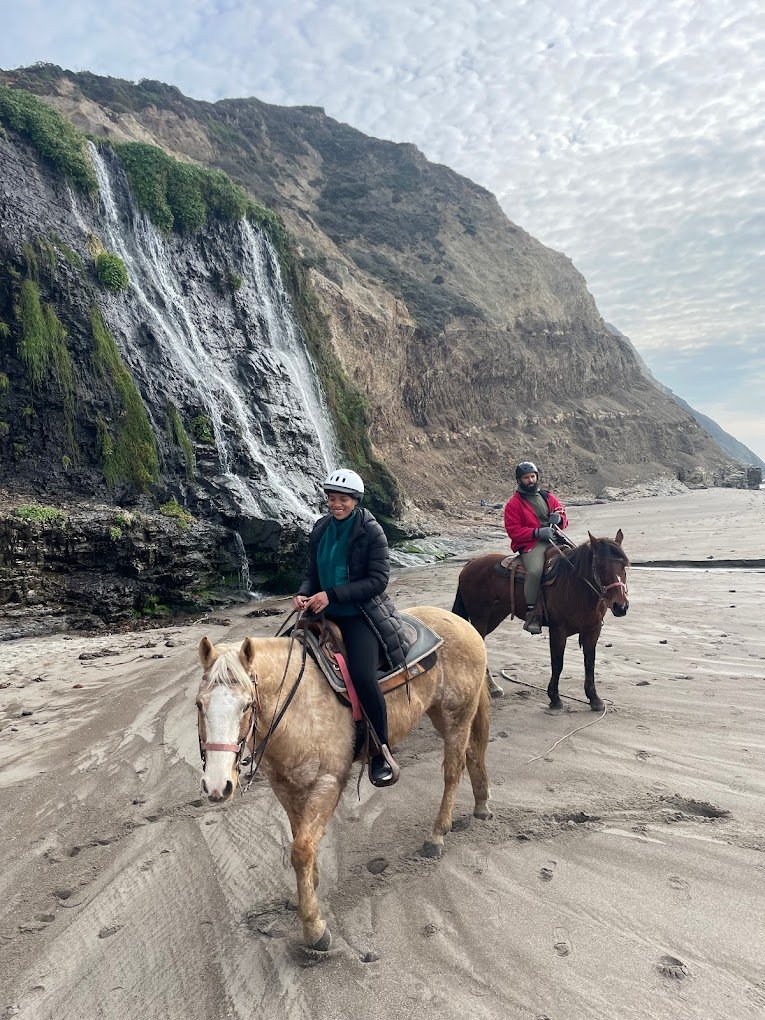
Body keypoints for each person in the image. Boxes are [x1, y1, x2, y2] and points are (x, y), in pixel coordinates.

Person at [293, 468, 411, 786]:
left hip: (360, 614)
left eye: (342, 499)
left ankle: (379, 751)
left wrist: (331, 595)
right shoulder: (320, 529)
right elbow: (312, 572)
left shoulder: (371, 532)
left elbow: (377, 581)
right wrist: (305, 592)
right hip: (322, 612)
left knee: (360, 675)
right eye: (332, 499)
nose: (336, 505)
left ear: (355, 501)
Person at [503, 461, 569, 634]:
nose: (531, 480)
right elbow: (513, 531)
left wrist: (559, 520)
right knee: (534, 571)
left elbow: (562, 513)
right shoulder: (513, 504)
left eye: (533, 476)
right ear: (519, 480)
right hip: (532, 544)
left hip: (554, 538)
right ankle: (532, 612)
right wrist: (537, 532)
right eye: (526, 477)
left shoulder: (547, 496)